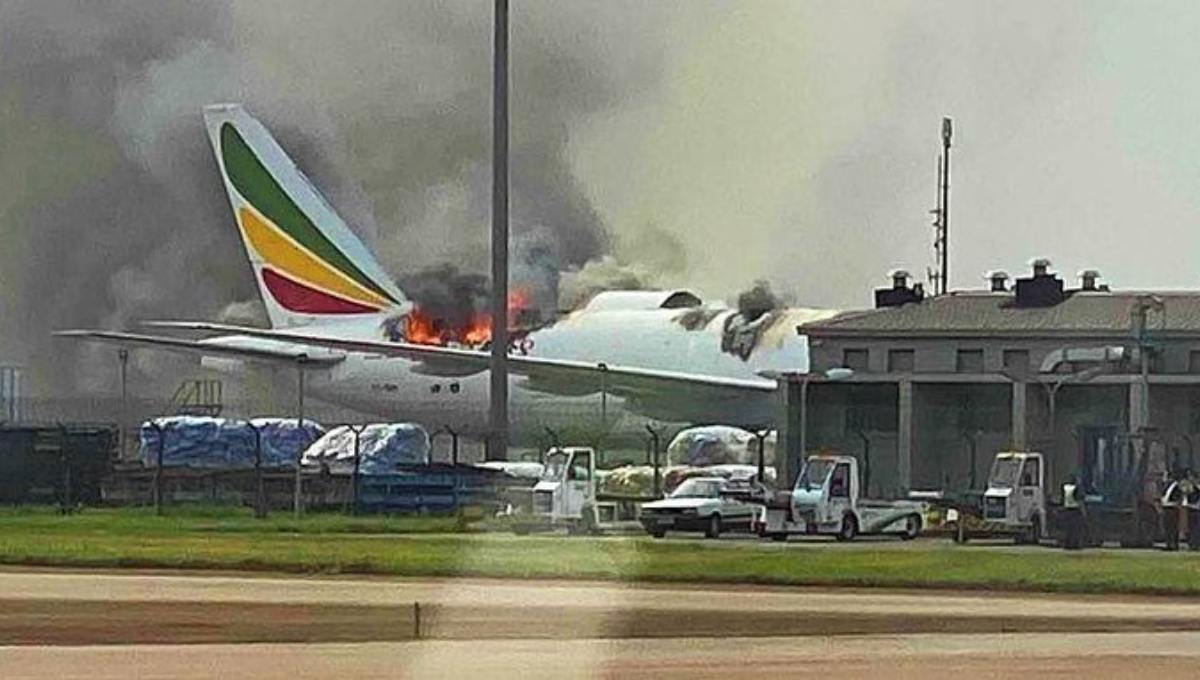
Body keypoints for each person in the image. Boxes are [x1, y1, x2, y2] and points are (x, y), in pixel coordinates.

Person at [1061, 473, 1085, 550]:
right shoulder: (1077, 488)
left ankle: (1067, 544)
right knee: (1076, 529)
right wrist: (1083, 511)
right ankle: (1076, 545)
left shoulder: (1066, 487)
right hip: (1075, 510)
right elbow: (1079, 500)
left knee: (1068, 529)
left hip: (1067, 509)